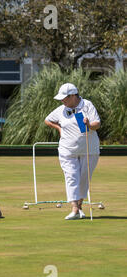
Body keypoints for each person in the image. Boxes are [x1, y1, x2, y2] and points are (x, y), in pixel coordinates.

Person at [45, 83, 101, 220]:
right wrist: (59, 128)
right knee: (71, 176)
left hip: (89, 149)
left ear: (73, 96)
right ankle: (74, 209)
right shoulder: (61, 110)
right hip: (67, 149)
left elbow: (97, 124)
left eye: (64, 98)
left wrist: (88, 124)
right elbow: (47, 120)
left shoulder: (87, 105)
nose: (62, 101)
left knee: (83, 178)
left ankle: (80, 207)